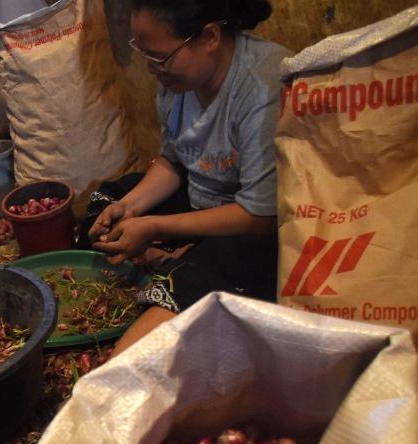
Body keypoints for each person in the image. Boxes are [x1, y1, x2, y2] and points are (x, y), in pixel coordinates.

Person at [87, 0, 290, 355]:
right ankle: (169, 258)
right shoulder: (176, 78)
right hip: (199, 205)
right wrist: (130, 207)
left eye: (159, 57)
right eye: (145, 55)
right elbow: (173, 162)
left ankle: (173, 263)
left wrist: (155, 227)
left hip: (247, 229)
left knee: (218, 267)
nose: (153, 69)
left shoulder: (262, 85)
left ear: (209, 37)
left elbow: (259, 216)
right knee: (105, 201)